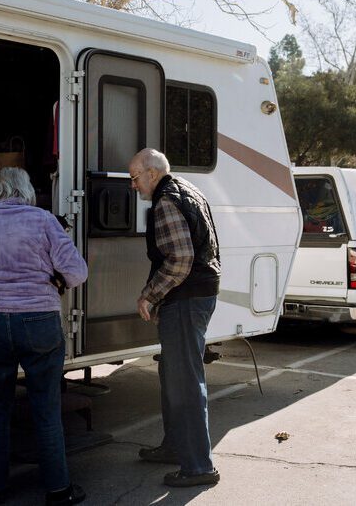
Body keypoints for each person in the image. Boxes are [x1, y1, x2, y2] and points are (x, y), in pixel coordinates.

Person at [0, 167, 88, 505]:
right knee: (46, 409)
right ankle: (59, 490)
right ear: (26, 190)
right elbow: (77, 272)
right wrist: (54, 281)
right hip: (37, 321)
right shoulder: (43, 221)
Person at [128, 148, 221, 487]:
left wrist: (150, 294)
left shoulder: (167, 201)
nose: (133, 186)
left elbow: (180, 260)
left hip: (186, 298)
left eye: (135, 178)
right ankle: (175, 447)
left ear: (152, 173)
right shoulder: (189, 189)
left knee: (185, 382)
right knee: (174, 375)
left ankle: (198, 467)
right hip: (197, 294)